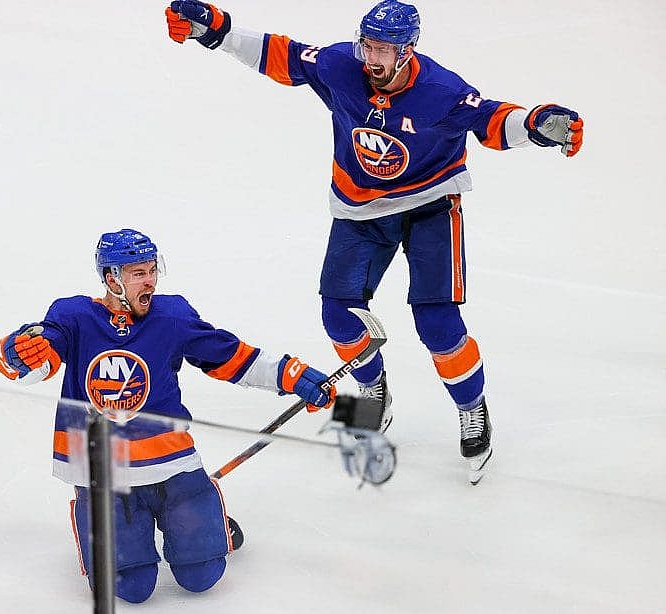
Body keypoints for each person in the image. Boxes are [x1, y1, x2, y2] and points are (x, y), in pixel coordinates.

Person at [164, 0, 585, 484]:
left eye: (384, 48)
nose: (371, 58)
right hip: (360, 211)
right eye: (368, 44)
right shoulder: (341, 65)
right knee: (338, 315)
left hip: (430, 208)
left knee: (438, 323)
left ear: (408, 52)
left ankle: (472, 406)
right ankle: (372, 389)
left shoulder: (441, 90)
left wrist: (535, 123)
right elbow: (279, 55)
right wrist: (216, 30)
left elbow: (491, 121)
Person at [0, 228, 337, 603]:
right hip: (104, 472)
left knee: (202, 575)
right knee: (130, 588)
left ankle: (210, 525)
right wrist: (17, 353)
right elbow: (39, 360)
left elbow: (228, 355)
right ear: (112, 278)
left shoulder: (170, 316)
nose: (150, 281)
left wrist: (290, 375)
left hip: (171, 465)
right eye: (138, 273)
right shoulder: (73, 317)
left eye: (152, 270)